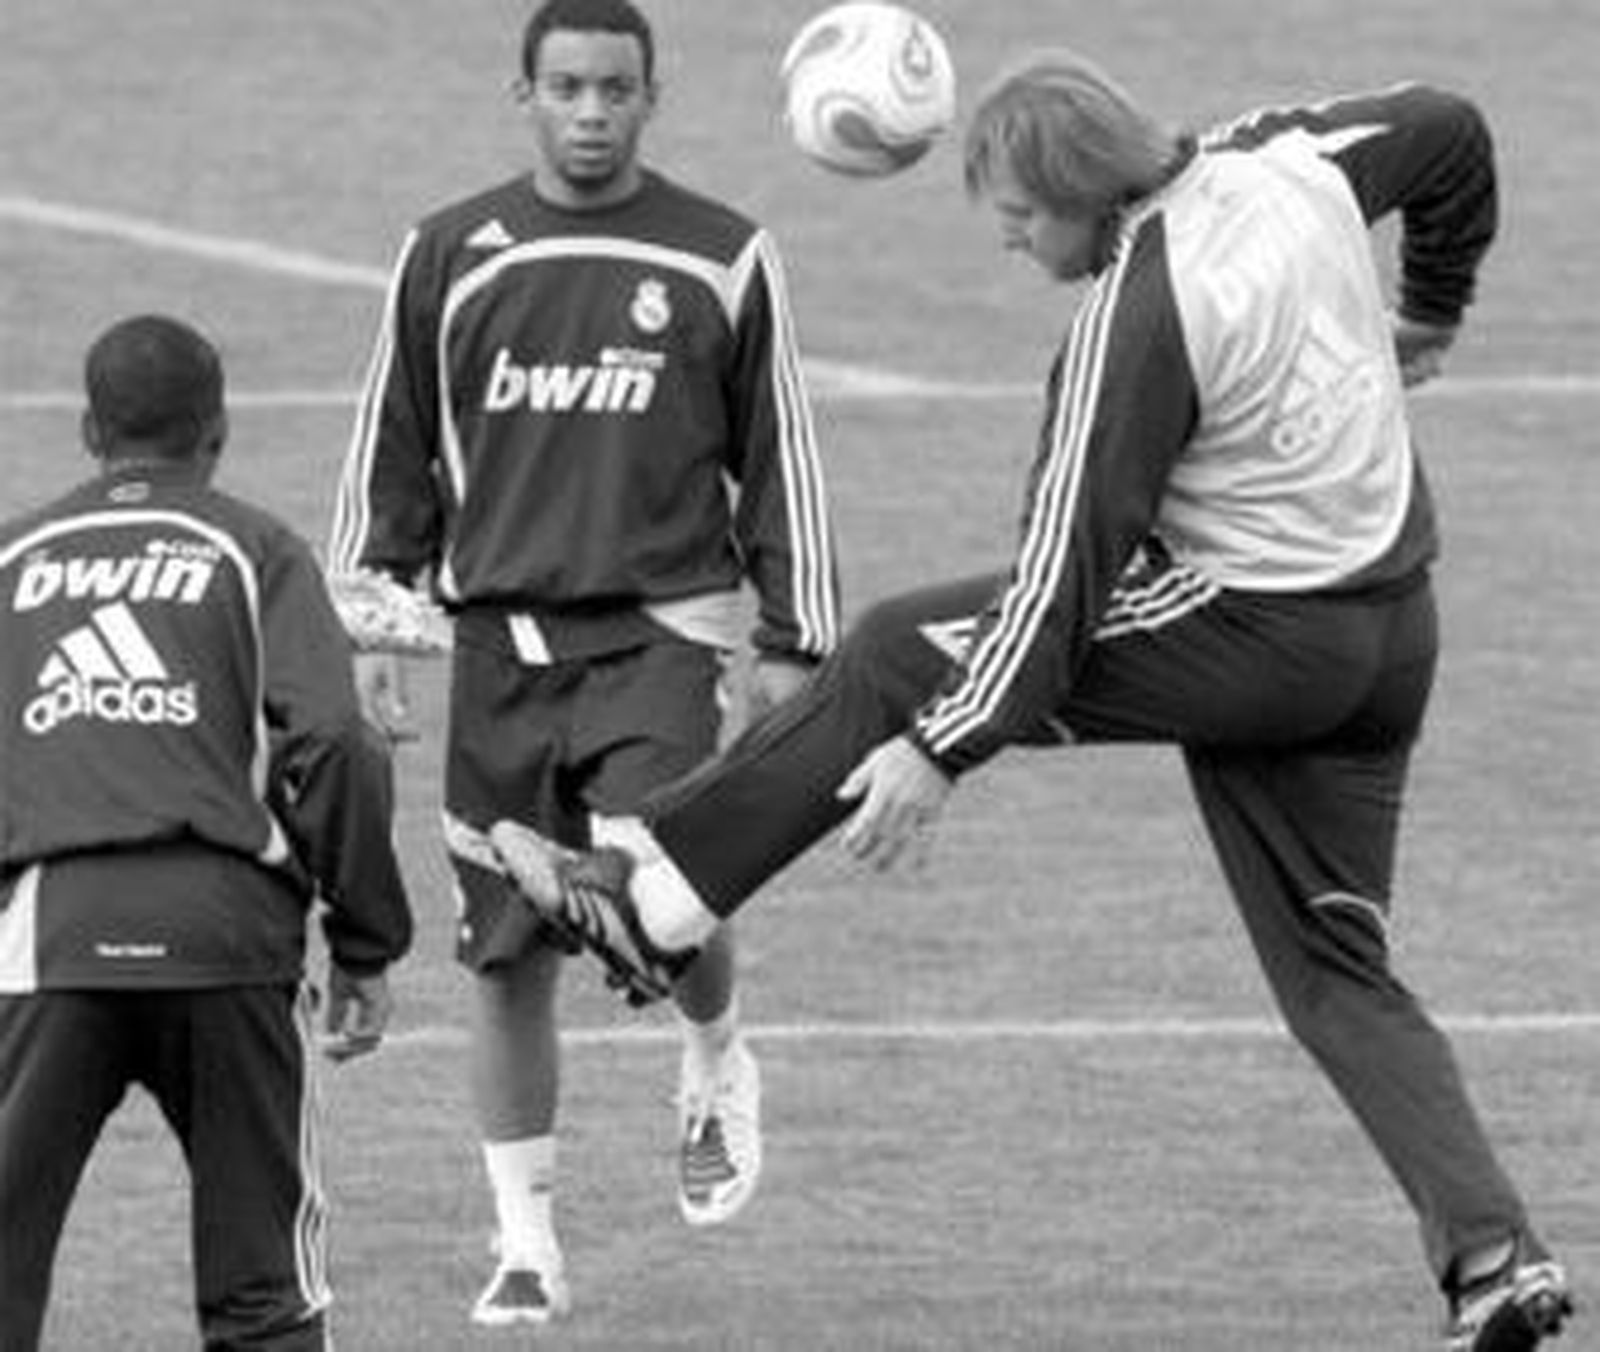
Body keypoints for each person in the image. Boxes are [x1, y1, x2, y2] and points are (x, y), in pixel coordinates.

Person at [488, 53, 1576, 1352]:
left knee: (898, 645)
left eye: (1016, 213)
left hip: (1262, 636)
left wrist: (944, 746)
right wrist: (1435, 306)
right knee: (1340, 977)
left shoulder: (1134, 320)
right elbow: (1451, 127)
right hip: (1392, 634)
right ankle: (1495, 1262)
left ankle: (651, 906)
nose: (1007, 240)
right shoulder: (1293, 159)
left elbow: (1060, 585)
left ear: (1078, 189)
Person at [326, 0, 840, 1326]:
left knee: (654, 877)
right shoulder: (448, 252)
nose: (593, 111)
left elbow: (783, 455)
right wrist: (369, 620)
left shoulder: (724, 256)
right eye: (568, 88)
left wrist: (797, 641)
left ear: (651, 96)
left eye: (616, 88)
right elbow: (392, 439)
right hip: (499, 644)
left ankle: (716, 1052)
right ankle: (527, 1247)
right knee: (504, 959)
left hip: (665, 629)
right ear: (526, 96)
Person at [0, 315, 414, 1351]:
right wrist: (364, 938)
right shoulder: (255, 545)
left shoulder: (12, 560)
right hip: (228, 939)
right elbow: (337, 740)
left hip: (49, 936)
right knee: (263, 1294)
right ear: (219, 432)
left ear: (89, 428)